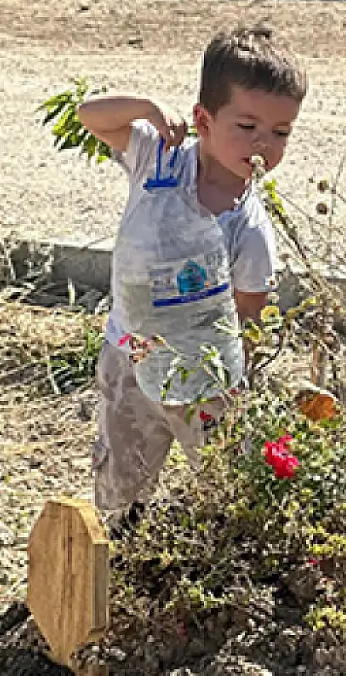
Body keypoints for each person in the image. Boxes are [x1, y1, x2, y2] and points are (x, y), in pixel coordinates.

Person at [77, 26, 306, 523]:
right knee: (121, 480)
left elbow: (250, 316)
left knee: (227, 481)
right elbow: (88, 116)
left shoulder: (249, 228)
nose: (263, 144)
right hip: (130, 356)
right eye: (246, 127)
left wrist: (231, 385)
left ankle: (218, 556)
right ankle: (117, 560)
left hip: (205, 380)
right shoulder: (156, 159)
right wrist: (146, 108)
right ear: (203, 119)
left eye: (281, 132)